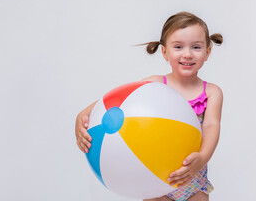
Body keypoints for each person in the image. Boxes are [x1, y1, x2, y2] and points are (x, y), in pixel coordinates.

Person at [75, 11, 223, 201]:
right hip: (153, 176)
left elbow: (211, 126)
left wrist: (202, 157)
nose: (187, 54)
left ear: (207, 52)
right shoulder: (154, 84)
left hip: (192, 179)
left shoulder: (211, 92)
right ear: (165, 52)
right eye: (178, 47)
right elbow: (120, 101)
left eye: (196, 47)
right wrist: (82, 114)